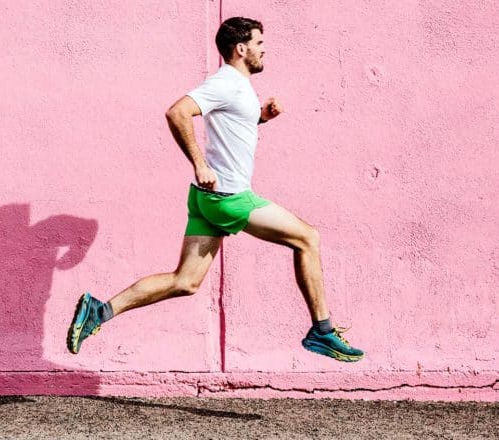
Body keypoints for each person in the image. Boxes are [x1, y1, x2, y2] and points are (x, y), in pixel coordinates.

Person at [66, 17, 363, 362]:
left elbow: (231, 123)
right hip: (229, 199)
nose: (264, 49)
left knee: (185, 281)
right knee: (307, 238)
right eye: (259, 43)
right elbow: (177, 112)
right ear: (241, 49)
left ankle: (98, 312)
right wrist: (199, 164)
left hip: (206, 200)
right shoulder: (226, 84)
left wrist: (261, 116)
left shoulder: (238, 87)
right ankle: (322, 332)